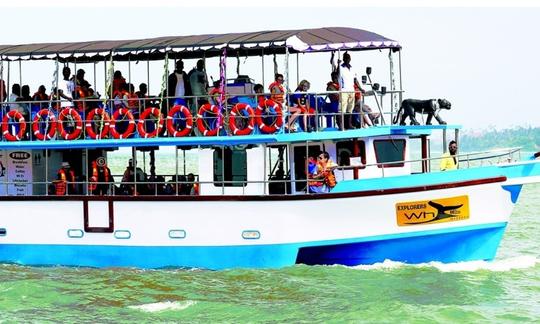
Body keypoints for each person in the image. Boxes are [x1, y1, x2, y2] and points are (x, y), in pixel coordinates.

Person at [338, 52, 364, 129]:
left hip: (351, 90)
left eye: (348, 58)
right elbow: (337, 72)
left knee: (350, 108)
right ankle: (341, 125)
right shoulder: (340, 67)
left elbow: (355, 80)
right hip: (343, 90)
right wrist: (338, 64)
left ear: (350, 59)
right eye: (345, 58)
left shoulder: (352, 68)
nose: (347, 59)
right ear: (343, 59)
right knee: (342, 108)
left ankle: (348, 124)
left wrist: (360, 88)